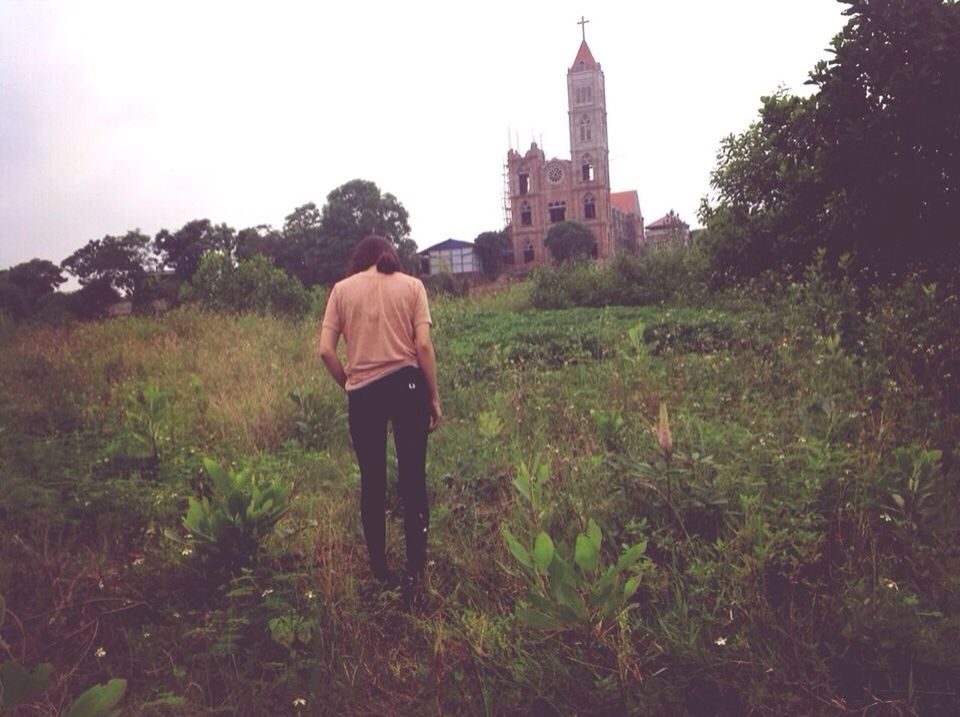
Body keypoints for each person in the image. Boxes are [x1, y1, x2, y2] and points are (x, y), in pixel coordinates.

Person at [318, 235, 441, 605]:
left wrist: (350, 384)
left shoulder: (341, 290)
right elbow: (422, 347)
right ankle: (415, 573)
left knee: (372, 484)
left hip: (364, 394)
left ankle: (380, 571)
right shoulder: (413, 287)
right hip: (407, 387)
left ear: (359, 260)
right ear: (391, 257)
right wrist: (433, 396)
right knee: (413, 481)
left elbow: (325, 350)